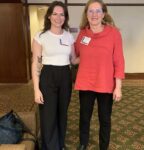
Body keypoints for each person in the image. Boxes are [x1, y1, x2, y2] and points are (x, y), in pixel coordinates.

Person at [74, 0, 125, 150]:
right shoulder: (83, 34)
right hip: (85, 82)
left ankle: (104, 146)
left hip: (105, 83)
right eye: (91, 11)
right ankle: (83, 143)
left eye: (98, 11)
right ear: (86, 14)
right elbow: (76, 56)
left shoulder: (114, 33)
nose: (94, 14)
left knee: (104, 118)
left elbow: (119, 61)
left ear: (103, 14)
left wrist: (118, 87)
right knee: (84, 117)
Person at [31, 1, 78, 150]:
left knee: (62, 113)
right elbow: (36, 63)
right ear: (49, 16)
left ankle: (60, 144)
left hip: (65, 75)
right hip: (48, 76)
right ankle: (50, 147)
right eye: (55, 14)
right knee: (48, 115)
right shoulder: (41, 36)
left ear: (65, 17)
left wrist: (92, 52)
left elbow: (74, 60)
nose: (59, 17)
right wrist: (36, 89)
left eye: (62, 14)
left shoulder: (69, 36)